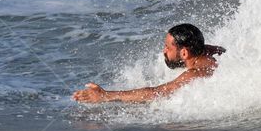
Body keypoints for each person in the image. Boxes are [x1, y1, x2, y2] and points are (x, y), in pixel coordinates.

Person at [72, 23, 225, 104]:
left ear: (184, 53)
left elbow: (157, 93)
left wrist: (106, 96)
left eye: (167, 47)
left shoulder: (195, 73)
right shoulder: (211, 51)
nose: (164, 51)